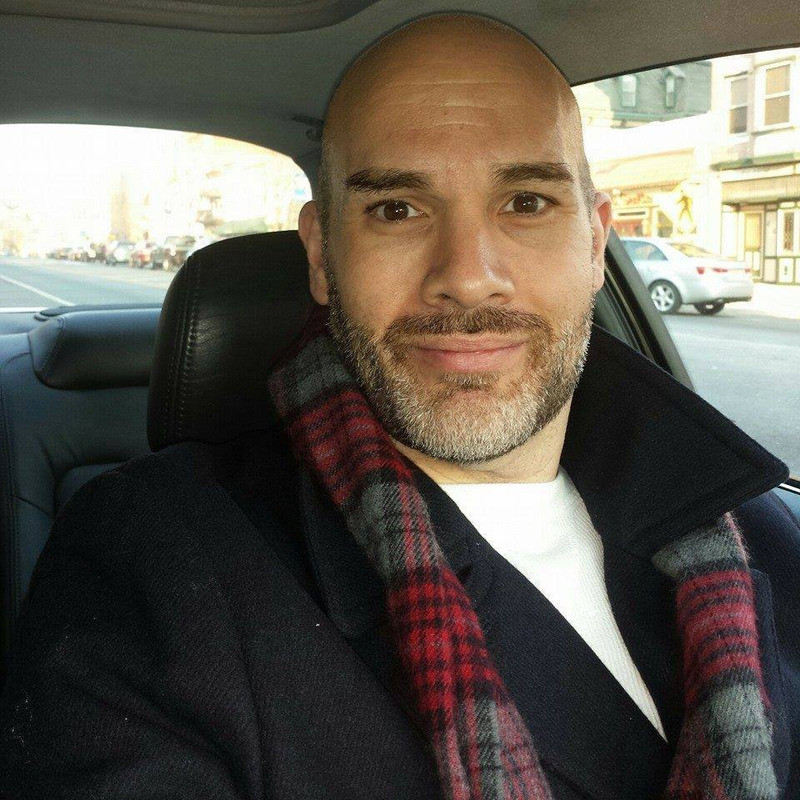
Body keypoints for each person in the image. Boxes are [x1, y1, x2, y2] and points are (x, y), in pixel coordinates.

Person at [1, 13, 798, 800]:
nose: (468, 276)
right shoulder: (157, 565)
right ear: (322, 255)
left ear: (595, 244)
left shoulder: (757, 526)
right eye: (395, 209)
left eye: (526, 202)